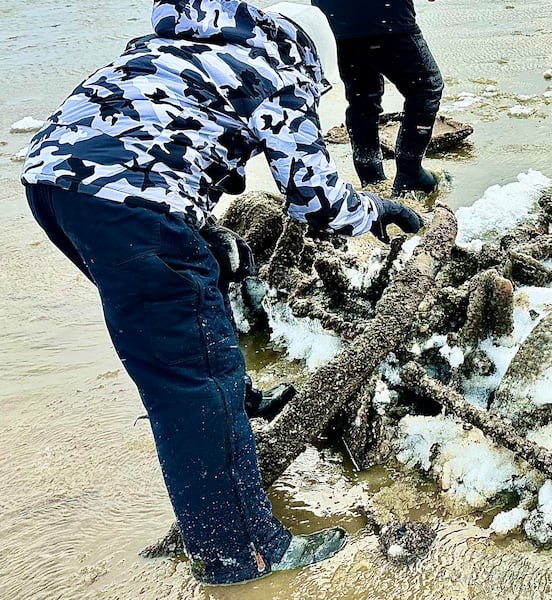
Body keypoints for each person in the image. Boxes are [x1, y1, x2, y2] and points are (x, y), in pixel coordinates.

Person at [21, 0, 421, 585]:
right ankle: (242, 555)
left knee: (203, 275)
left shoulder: (167, 51)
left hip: (55, 192)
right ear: (305, 55)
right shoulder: (275, 71)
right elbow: (314, 199)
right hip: (140, 208)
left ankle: (240, 395)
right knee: (192, 384)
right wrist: (376, 209)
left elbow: (144, 141)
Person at [313, 0, 444, 195]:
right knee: (426, 88)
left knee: (362, 97)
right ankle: (410, 173)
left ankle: (370, 175)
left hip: (333, 24)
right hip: (386, 19)